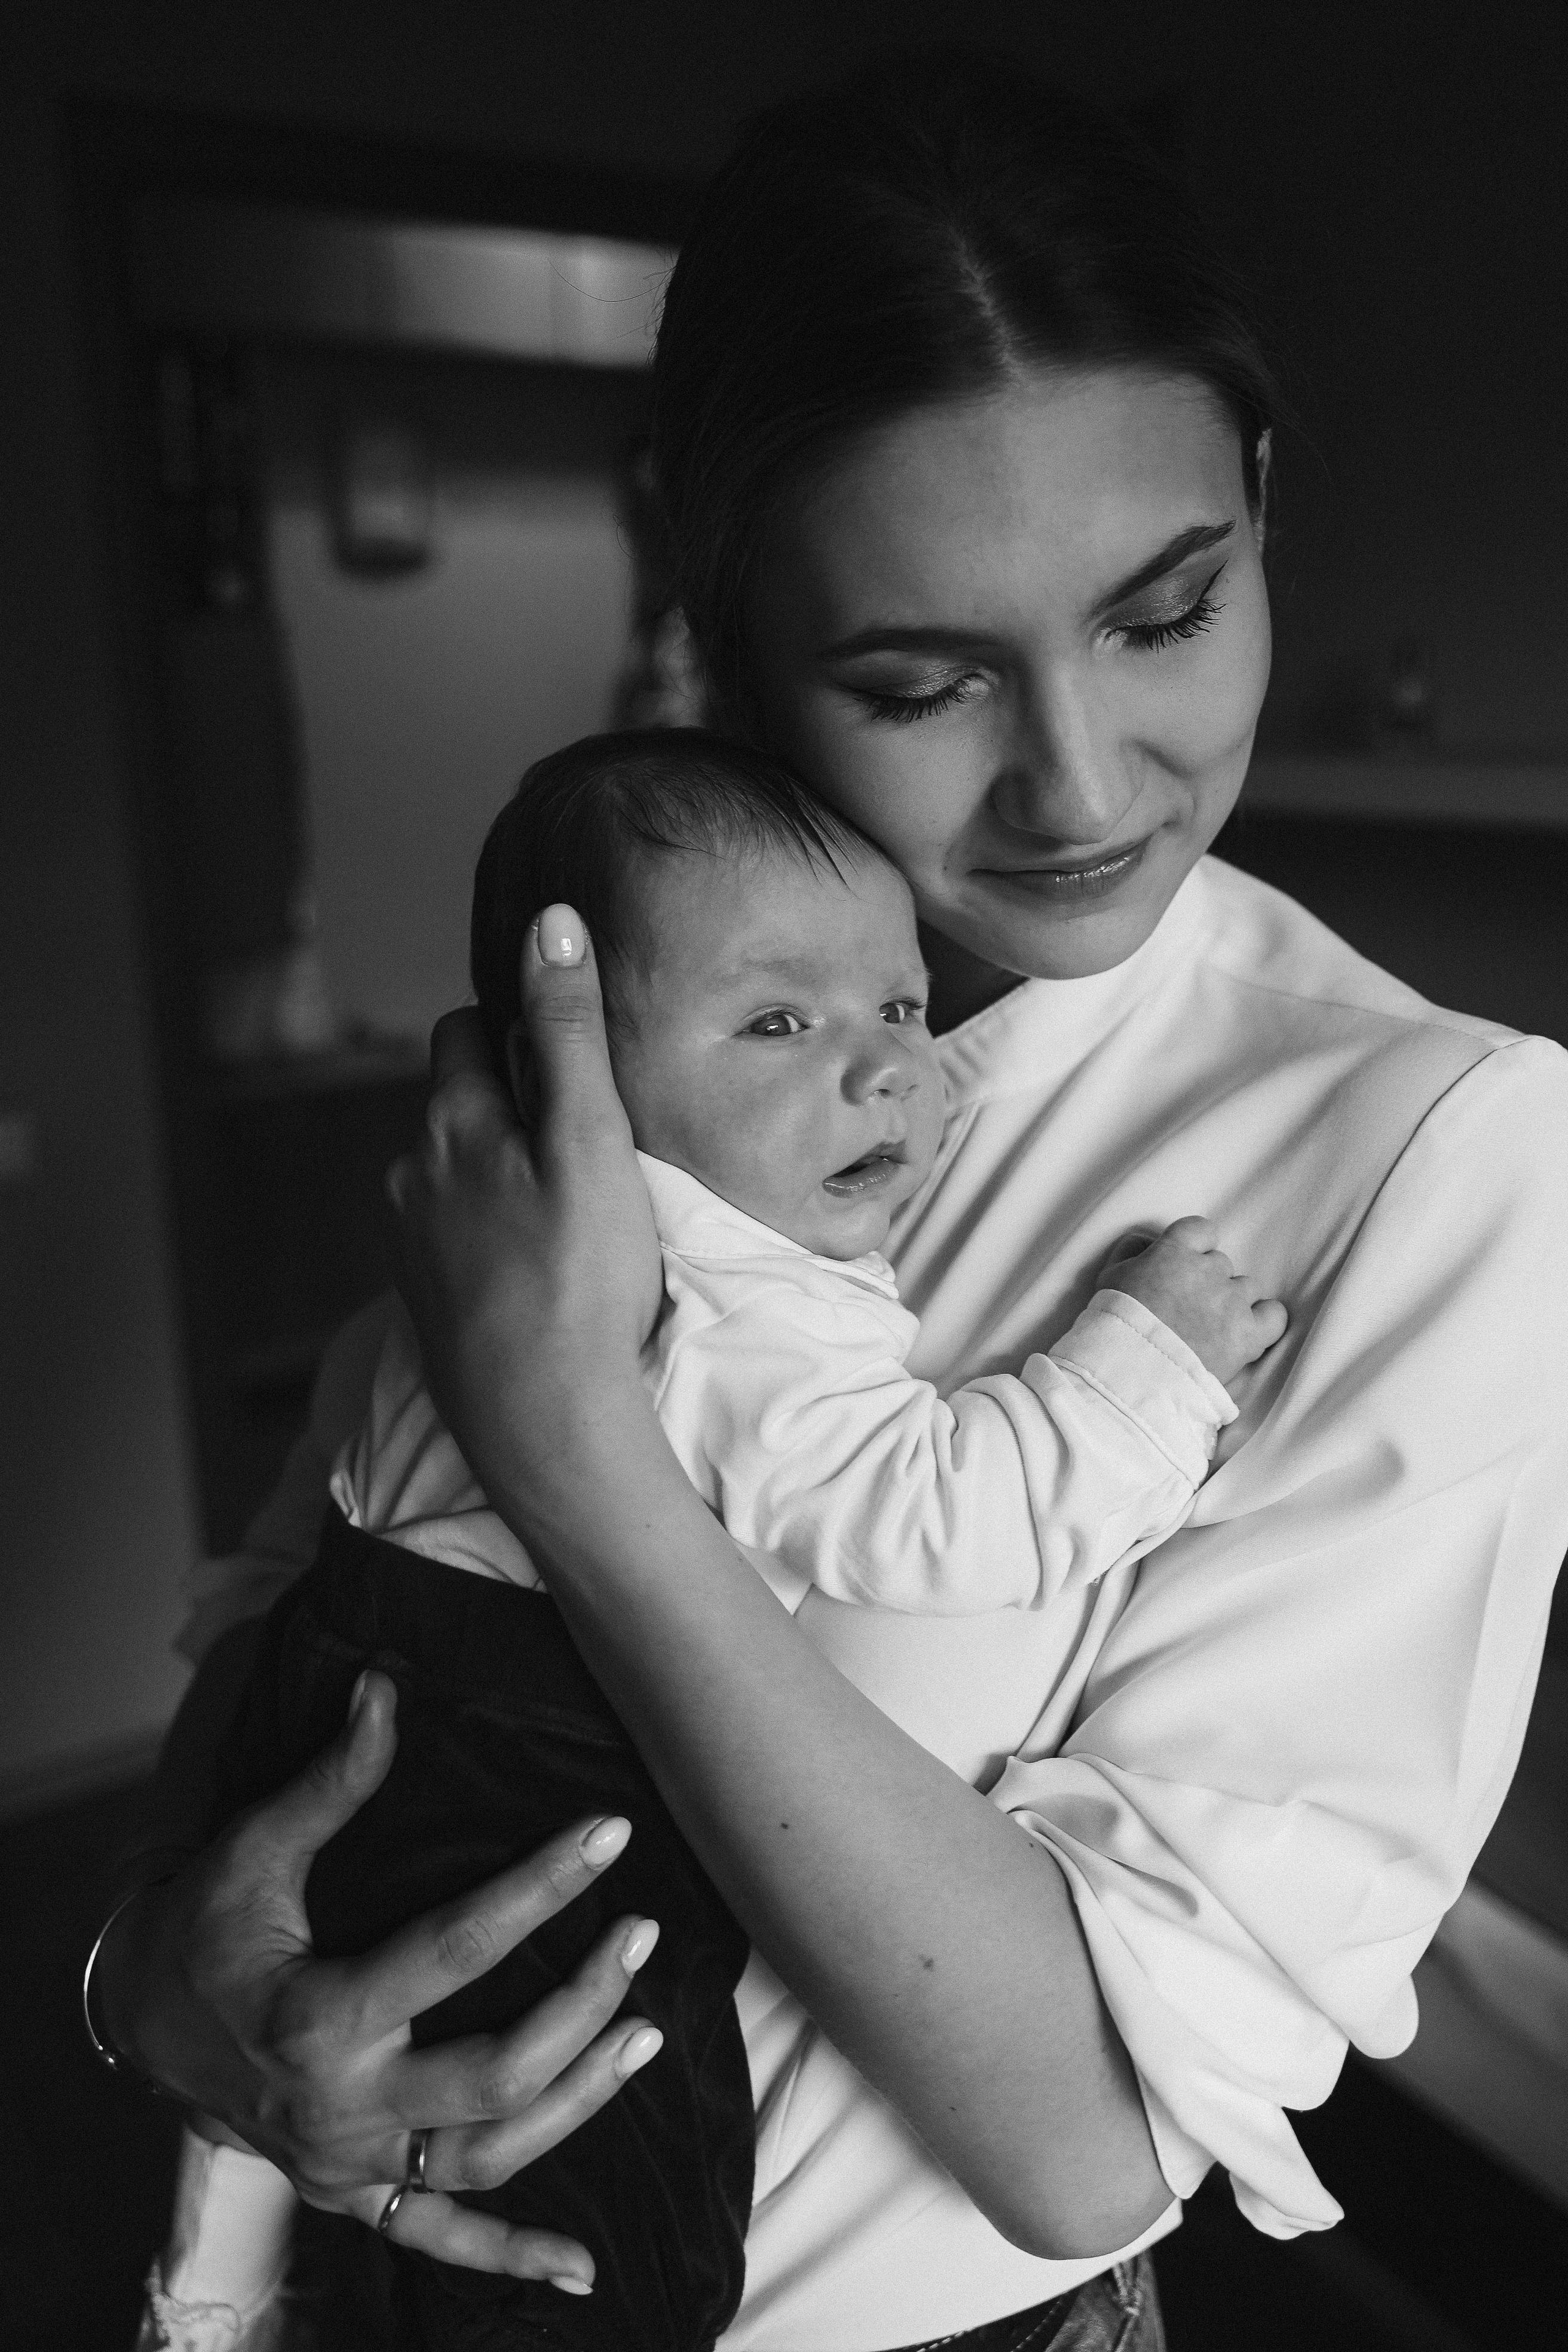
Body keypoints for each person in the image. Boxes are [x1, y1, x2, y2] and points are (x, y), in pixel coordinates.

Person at [92, 53, 1568, 2352]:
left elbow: (1084, 2137)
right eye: (916, 678)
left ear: (1262, 506)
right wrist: (165, 1991)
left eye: (1167, 611)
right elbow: (306, 1630)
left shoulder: (1428, 1148)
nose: (1082, 783)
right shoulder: (594, 1034)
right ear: (727, 629)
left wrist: (588, 1454)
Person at [141, 726, 1280, 2351]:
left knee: (305, 2041)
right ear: (573, 1070)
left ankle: (208, 2294)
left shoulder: (467, 1263)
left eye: (902, 1006)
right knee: (597, 2203)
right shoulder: (722, 1282)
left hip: (333, 1677)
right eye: (776, 1021)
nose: (885, 1066)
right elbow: (934, 1514)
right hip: (501, 1765)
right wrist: (1144, 1366)